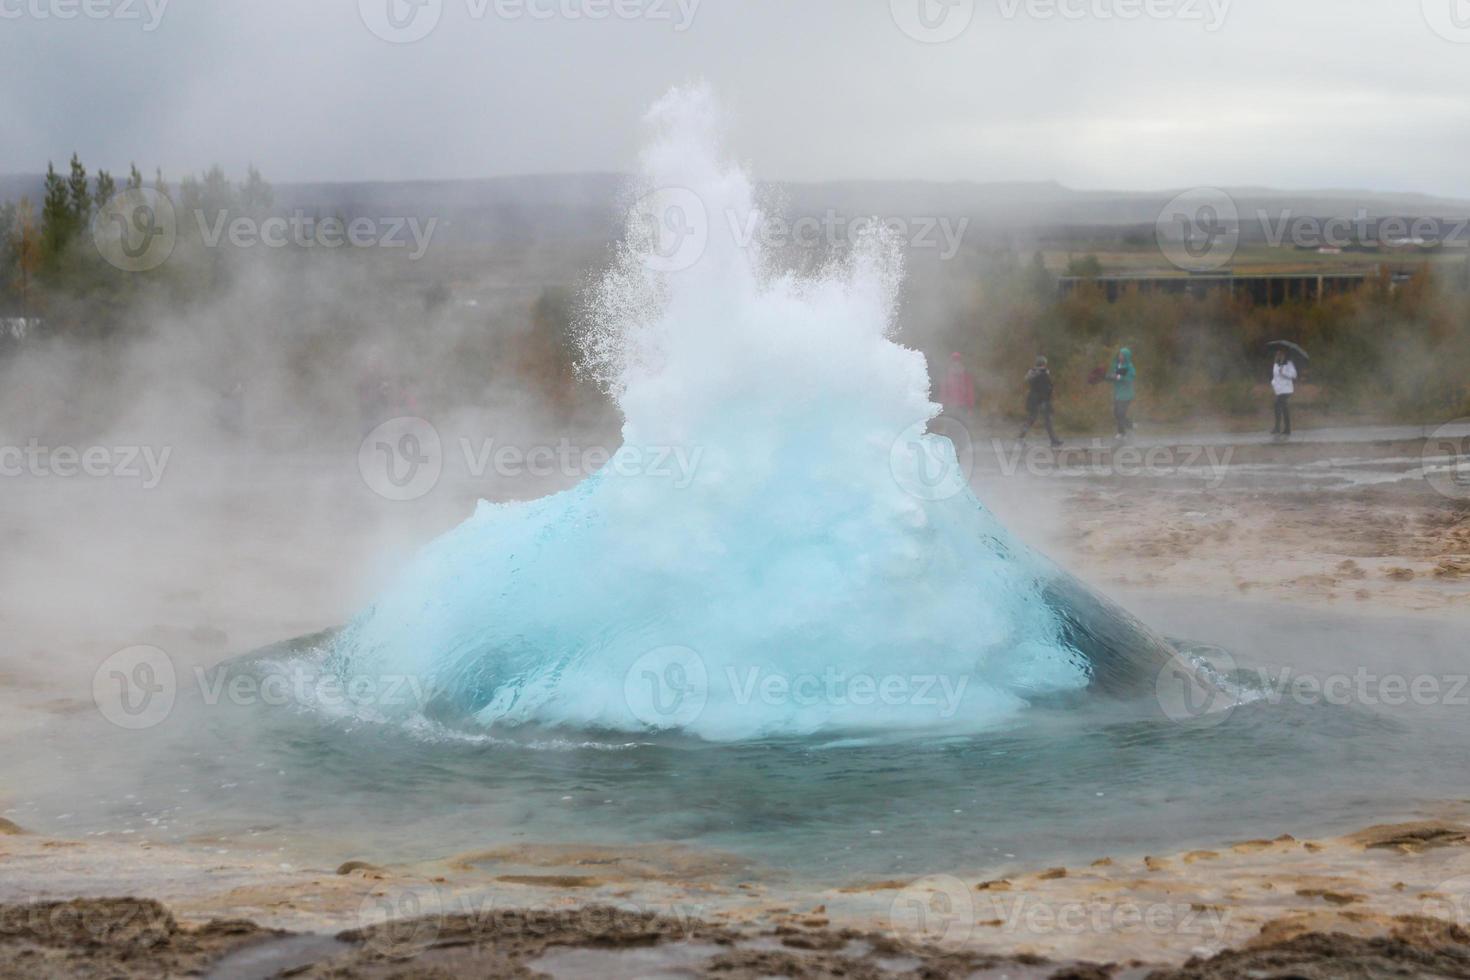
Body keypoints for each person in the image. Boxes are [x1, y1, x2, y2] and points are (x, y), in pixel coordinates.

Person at [1018, 355, 1062, 448]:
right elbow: (1046, 387)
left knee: (1032, 419)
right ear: (1044, 363)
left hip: (1033, 398)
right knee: (1047, 420)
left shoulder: (1032, 372)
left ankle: (1021, 437)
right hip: (1042, 399)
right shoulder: (1043, 373)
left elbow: (1027, 380)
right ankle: (1053, 440)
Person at [939, 352, 976, 421]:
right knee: (950, 426)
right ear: (951, 362)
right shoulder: (946, 376)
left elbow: (970, 392)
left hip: (963, 406)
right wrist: (943, 406)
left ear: (961, 362)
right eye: (954, 360)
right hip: (950, 406)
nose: (956, 362)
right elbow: (943, 393)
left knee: (963, 425)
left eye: (958, 360)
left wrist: (970, 407)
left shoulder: (966, 376)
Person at [1110, 347, 1136, 440]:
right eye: (1120, 354)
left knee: (1120, 413)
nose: (1120, 356)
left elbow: (1130, 378)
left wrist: (1120, 378)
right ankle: (1131, 425)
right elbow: (1114, 376)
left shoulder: (1129, 367)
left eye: (1122, 355)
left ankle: (1122, 433)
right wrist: (1110, 377)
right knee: (1116, 413)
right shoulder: (1117, 365)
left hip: (1126, 395)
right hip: (1118, 394)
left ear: (1126, 356)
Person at [1271, 349, 1298, 439]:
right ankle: (1280, 428)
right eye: (1277, 354)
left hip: (1287, 389)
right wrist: (1273, 383)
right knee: (1279, 407)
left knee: (1281, 406)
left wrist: (1284, 372)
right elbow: (1275, 376)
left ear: (1284, 355)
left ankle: (1285, 428)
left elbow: (1294, 375)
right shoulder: (1276, 363)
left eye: (1281, 354)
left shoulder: (1289, 363)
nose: (1279, 355)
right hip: (1279, 390)